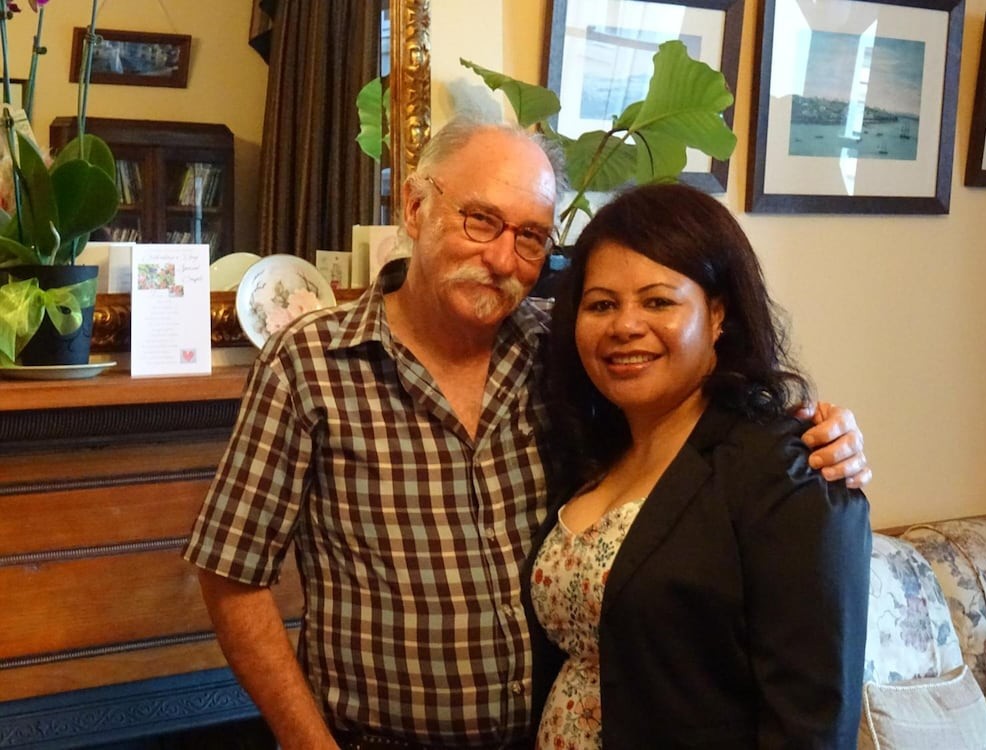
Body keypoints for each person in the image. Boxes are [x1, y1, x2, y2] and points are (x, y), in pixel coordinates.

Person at [183, 118, 871, 750]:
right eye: (481, 220)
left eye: (532, 237)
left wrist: (823, 432)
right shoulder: (310, 362)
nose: (503, 258)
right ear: (415, 208)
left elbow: (702, 439)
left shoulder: (562, 355)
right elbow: (231, 575)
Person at [528, 182, 871, 749]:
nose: (624, 325)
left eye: (658, 301)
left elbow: (813, 720)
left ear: (718, 314)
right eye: (601, 304)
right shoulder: (593, 453)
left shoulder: (790, 471)